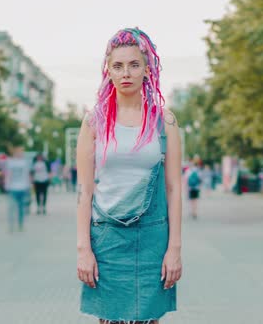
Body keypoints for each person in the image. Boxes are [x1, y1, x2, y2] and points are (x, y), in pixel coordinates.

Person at [76, 28, 182, 323]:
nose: (126, 73)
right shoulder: (94, 121)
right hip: (107, 241)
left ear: (147, 70)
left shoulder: (165, 121)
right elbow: (84, 190)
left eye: (134, 65)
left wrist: (174, 249)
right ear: (107, 71)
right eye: (118, 66)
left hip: (152, 241)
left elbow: (173, 189)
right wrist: (84, 249)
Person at [4, 146, 32, 231]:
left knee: (21, 209)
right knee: (11, 208)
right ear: (15, 153)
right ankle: (11, 225)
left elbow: (27, 175)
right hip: (12, 188)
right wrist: (6, 185)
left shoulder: (25, 162)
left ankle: (20, 225)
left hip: (23, 188)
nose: (20, 153)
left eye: (21, 152)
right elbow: (8, 174)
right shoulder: (10, 162)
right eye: (18, 152)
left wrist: (29, 186)